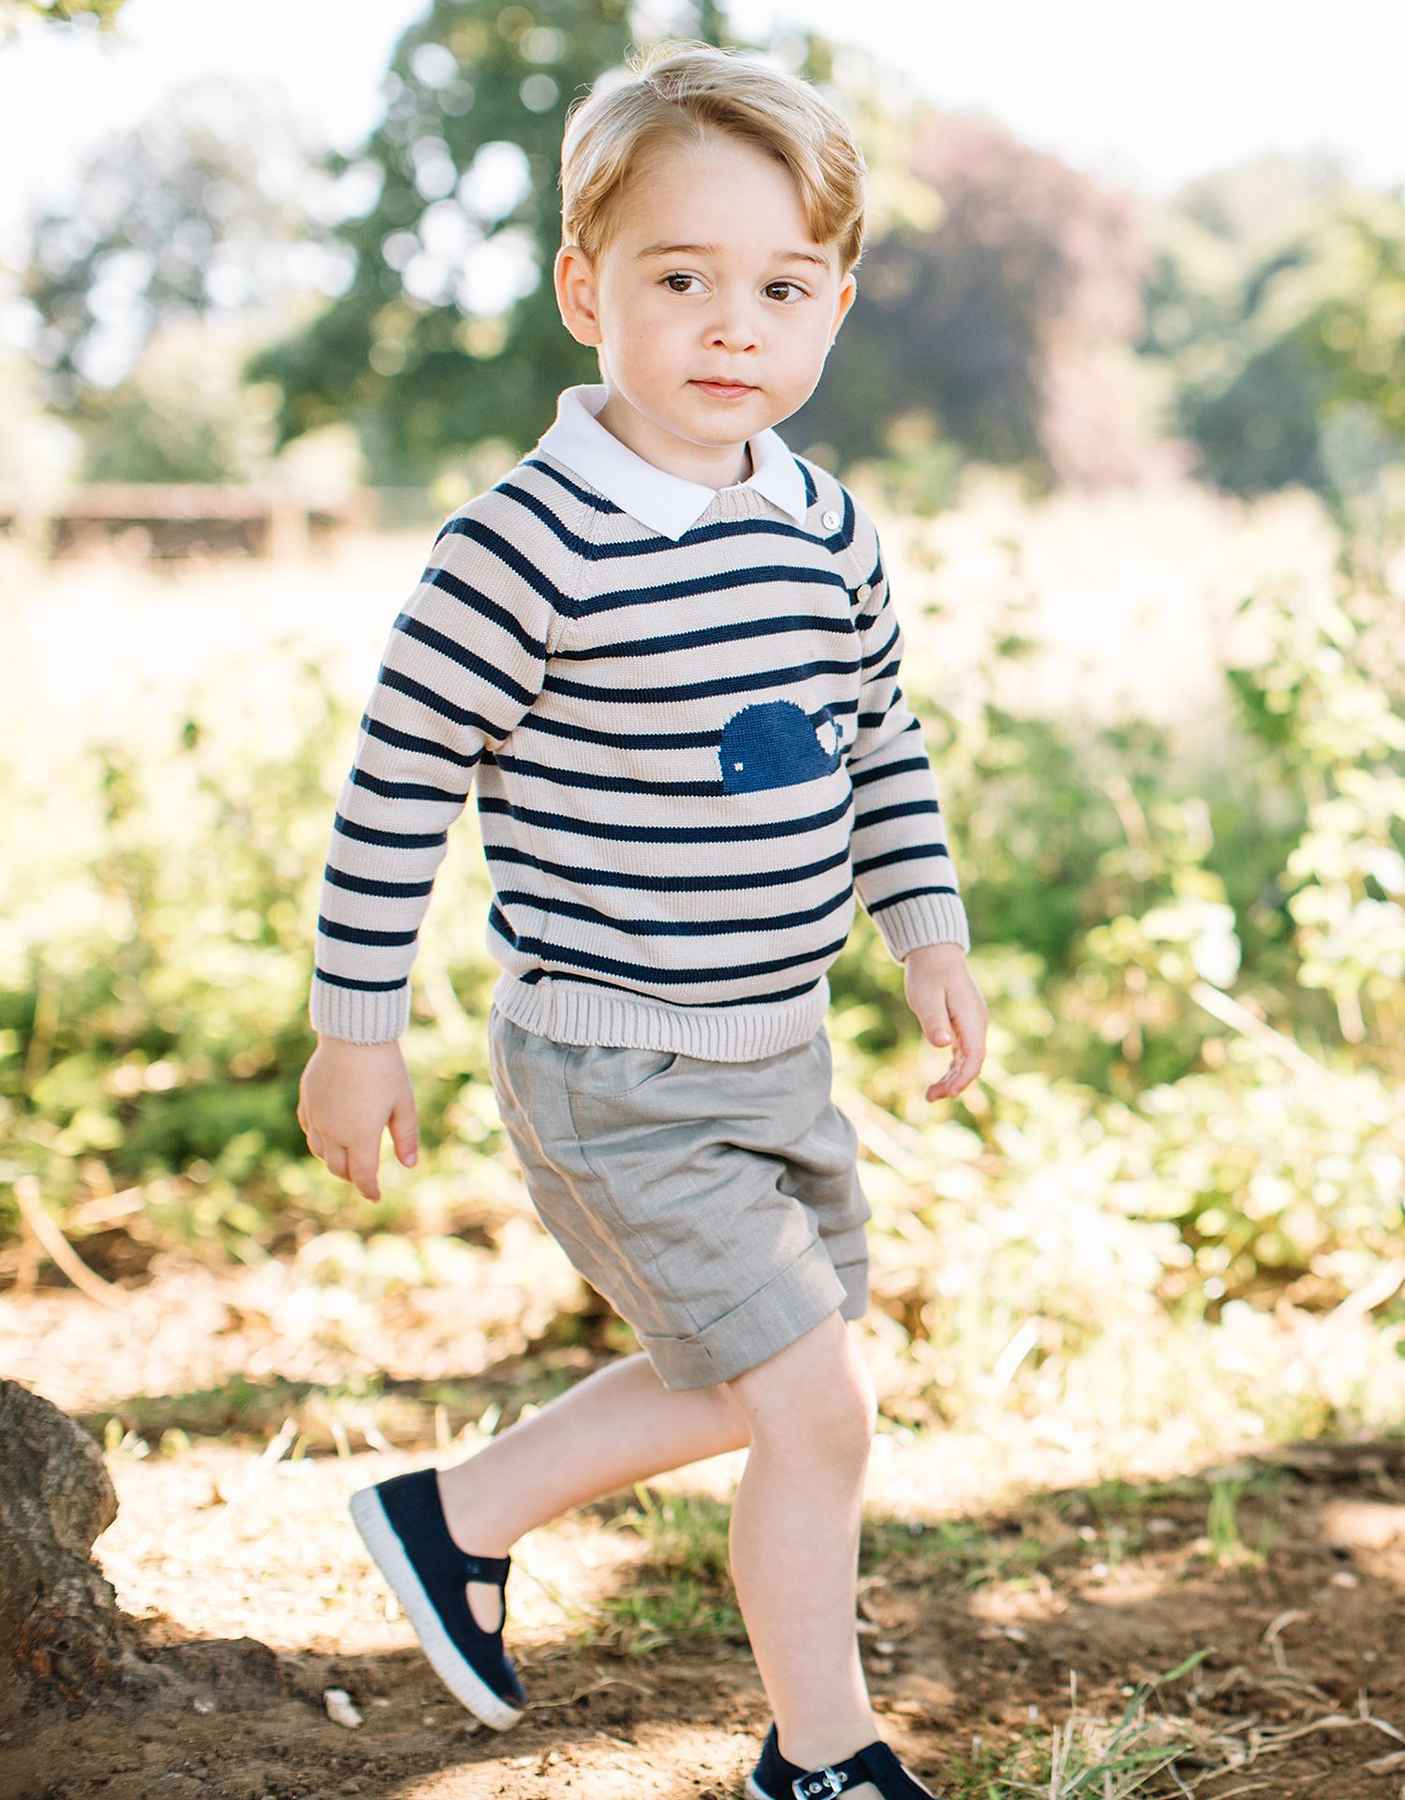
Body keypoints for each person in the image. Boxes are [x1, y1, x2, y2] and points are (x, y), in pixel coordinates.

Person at [296, 37, 987, 1800]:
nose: (730, 328)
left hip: (777, 1053)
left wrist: (927, 932)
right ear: (583, 289)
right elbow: (396, 783)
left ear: (833, 307)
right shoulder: (522, 545)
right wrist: (354, 1032)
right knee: (817, 1407)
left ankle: (454, 1516)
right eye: (681, 280)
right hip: (614, 1063)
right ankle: (821, 1759)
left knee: (754, 1382)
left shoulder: (826, 531)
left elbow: (879, 742)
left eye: (780, 288)